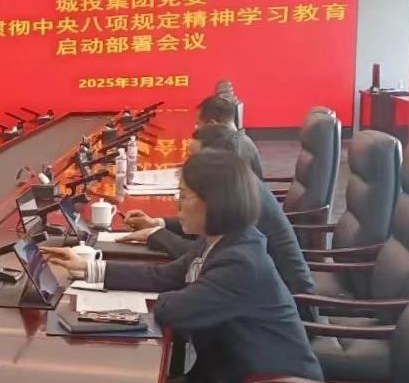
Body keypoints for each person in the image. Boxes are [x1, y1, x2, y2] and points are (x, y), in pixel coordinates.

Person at [42, 151, 326, 383]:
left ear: (214, 203)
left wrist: (153, 299)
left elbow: (173, 307)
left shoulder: (239, 261)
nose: (177, 204)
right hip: (234, 377)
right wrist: (89, 269)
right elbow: (165, 277)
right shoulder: (221, 243)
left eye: (185, 194)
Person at [120, 125, 315, 294]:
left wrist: (157, 234)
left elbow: (205, 256)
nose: (187, 162)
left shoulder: (238, 197)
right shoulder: (235, 183)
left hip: (292, 298)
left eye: (193, 156)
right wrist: (158, 223)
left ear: (215, 161)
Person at [196, 94, 262, 178]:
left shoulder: (219, 151)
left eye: (198, 124)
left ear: (212, 124)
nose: (197, 128)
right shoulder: (247, 142)